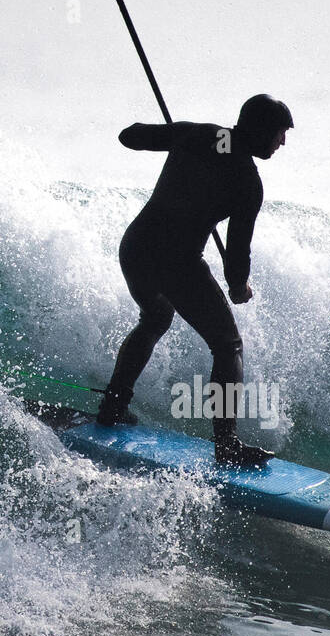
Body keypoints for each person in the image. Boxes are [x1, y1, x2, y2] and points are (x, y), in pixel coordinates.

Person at [97, 93, 293, 469]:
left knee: (154, 320)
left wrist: (176, 135)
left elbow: (129, 136)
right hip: (176, 262)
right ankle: (227, 444)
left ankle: (113, 404)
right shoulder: (247, 182)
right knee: (228, 345)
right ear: (262, 131)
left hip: (136, 248)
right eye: (280, 133)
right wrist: (239, 288)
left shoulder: (200, 134)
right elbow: (237, 252)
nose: (282, 142)